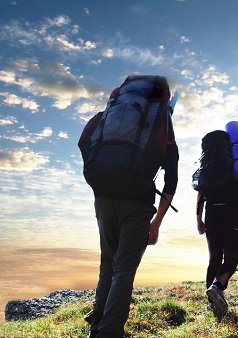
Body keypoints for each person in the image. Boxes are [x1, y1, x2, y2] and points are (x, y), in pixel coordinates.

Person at [82, 78, 179, 337]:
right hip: (137, 204)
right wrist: (156, 223)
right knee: (124, 269)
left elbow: (85, 141)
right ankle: (110, 332)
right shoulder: (162, 125)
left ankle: (97, 328)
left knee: (107, 264)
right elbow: (172, 179)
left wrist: (101, 184)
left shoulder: (110, 114)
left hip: (103, 198)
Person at [196, 131, 238, 318]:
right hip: (232, 212)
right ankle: (217, 286)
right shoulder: (236, 163)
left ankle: (211, 304)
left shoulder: (207, 164)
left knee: (214, 258)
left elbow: (201, 193)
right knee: (231, 257)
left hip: (211, 213)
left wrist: (198, 218)